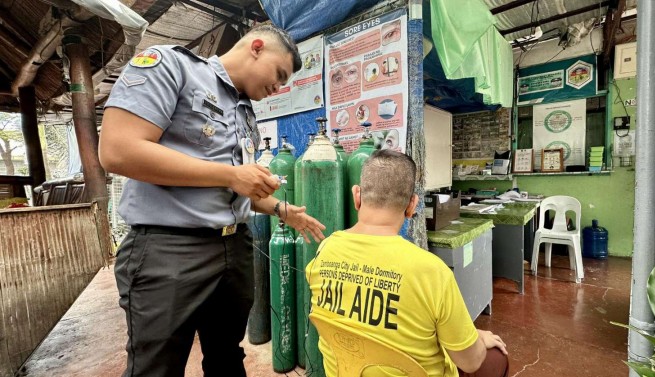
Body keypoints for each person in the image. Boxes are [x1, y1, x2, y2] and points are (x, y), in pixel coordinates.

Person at [99, 24, 326, 377]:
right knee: (156, 366)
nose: (278, 87)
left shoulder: (245, 112)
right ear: (256, 47)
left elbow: (239, 190)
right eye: (279, 75)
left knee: (226, 356)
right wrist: (232, 175)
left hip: (234, 248)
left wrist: (281, 209)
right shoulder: (172, 66)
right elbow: (118, 150)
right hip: (170, 251)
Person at [306, 150, 509, 377]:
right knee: (496, 358)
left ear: (357, 196)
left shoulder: (324, 251)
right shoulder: (432, 272)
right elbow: (470, 362)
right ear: (412, 205)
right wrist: (477, 337)